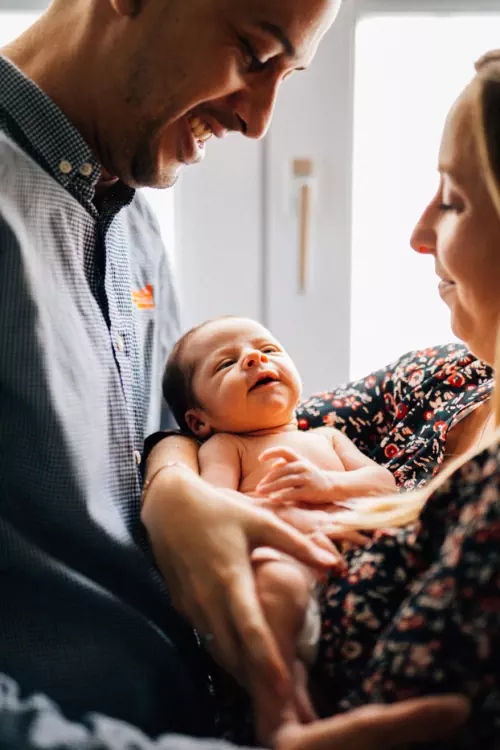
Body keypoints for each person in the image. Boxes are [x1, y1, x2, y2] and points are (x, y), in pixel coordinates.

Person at [0, 0, 465, 747]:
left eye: (289, 74)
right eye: (253, 53)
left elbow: (163, 424)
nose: (259, 122)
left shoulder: (135, 231)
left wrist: (172, 486)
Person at [145, 50, 500, 748]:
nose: (417, 233)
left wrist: (334, 486)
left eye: (453, 200)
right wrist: (169, 489)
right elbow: (199, 455)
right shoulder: (442, 378)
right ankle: (278, 693)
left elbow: (378, 480)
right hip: (270, 576)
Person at [162, 314, 397, 742]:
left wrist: (329, 485)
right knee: (274, 581)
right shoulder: (227, 446)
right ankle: (282, 715)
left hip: (347, 570)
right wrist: (285, 513)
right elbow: (216, 507)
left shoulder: (327, 438)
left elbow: (384, 482)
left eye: (268, 350)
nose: (253, 358)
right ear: (199, 421)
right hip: (283, 568)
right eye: (226, 364)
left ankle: (306, 707)